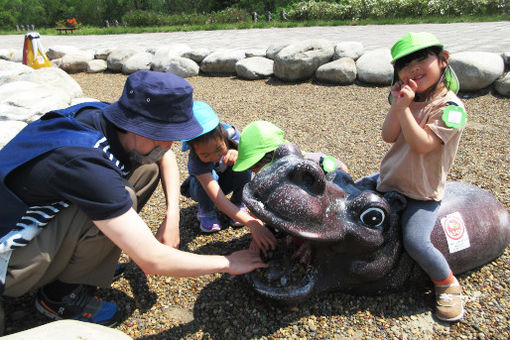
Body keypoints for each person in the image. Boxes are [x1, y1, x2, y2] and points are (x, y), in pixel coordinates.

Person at [0, 70, 266, 327]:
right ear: (141, 128)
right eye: (166, 137)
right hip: (12, 261)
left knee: (147, 168)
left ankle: (83, 265)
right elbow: (152, 260)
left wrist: (172, 215)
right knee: (121, 195)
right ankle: (57, 297)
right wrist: (229, 263)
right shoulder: (85, 162)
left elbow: (163, 155)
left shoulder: (107, 119)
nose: (170, 146)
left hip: (39, 219)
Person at [365, 32, 467, 322]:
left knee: (415, 241)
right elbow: (389, 136)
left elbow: (423, 145)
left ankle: (447, 283)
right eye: (405, 64)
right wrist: (400, 106)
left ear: (443, 60)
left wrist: (403, 108)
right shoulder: (406, 100)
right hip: (390, 181)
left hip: (421, 192)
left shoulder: (451, 109)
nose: (413, 68)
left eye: (422, 58)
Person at [180, 102, 277, 253]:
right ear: (193, 150)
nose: (214, 157)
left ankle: (238, 203)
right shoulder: (196, 161)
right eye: (205, 155)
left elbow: (258, 163)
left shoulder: (232, 134)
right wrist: (252, 223)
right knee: (205, 176)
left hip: (227, 181)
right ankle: (206, 210)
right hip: (206, 188)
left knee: (242, 164)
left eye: (219, 149)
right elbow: (219, 199)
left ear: (223, 136)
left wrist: (240, 155)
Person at [233, 120, 348, 175]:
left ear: (276, 154)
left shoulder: (310, 162)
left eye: (256, 167)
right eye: (252, 170)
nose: (256, 173)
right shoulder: (267, 178)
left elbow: (341, 168)